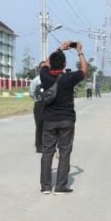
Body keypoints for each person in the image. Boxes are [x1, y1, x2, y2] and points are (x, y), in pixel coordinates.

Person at [39, 42, 88, 194]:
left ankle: (46, 186)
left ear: (50, 64)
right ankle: (60, 186)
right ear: (65, 64)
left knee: (47, 152)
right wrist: (79, 51)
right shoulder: (69, 78)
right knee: (65, 152)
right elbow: (84, 70)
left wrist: (59, 48)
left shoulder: (44, 76)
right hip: (66, 119)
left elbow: (46, 63)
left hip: (49, 120)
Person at [31, 61, 46, 153]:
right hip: (39, 104)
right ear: (39, 69)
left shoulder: (53, 79)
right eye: (43, 68)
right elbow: (31, 93)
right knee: (40, 125)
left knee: (50, 125)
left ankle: (49, 144)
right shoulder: (36, 80)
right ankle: (39, 145)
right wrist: (39, 99)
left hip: (50, 105)